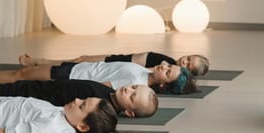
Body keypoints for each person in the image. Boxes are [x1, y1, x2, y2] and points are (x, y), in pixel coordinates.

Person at [0, 54, 198, 95]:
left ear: (164, 86)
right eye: (169, 66)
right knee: (23, 73)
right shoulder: (144, 72)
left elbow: (99, 85)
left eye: (168, 72)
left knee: (21, 76)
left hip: (69, 77)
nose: (164, 66)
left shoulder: (136, 81)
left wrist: (60, 82)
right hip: (74, 70)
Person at [0, 80, 158, 118]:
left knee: (9, 91)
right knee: (10, 86)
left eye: (132, 96)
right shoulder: (108, 92)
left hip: (35, 95)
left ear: (129, 112)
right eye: (133, 87)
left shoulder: (97, 104)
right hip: (44, 87)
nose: (127, 90)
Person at [19, 51, 210, 76]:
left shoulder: (167, 70)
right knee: (80, 59)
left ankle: (39, 63)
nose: (184, 61)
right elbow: (134, 57)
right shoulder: (166, 60)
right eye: (188, 57)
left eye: (188, 65)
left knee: (78, 63)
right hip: (119, 60)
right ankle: (40, 62)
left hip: (116, 67)